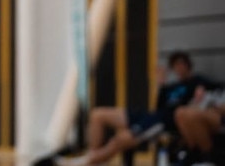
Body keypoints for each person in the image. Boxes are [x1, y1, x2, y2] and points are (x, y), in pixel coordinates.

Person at [56, 50, 220, 166]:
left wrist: (203, 93)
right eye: (175, 65)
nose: (179, 68)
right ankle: (93, 153)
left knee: (120, 140)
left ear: (187, 65)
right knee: (98, 114)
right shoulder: (171, 86)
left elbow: (217, 90)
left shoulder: (198, 81)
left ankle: (86, 161)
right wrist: (161, 86)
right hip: (151, 115)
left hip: (164, 122)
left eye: (181, 64)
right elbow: (158, 106)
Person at [174, 86, 225, 165]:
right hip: (212, 111)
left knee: (193, 116)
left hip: (220, 117)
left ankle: (207, 156)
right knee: (180, 113)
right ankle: (194, 152)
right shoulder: (216, 90)